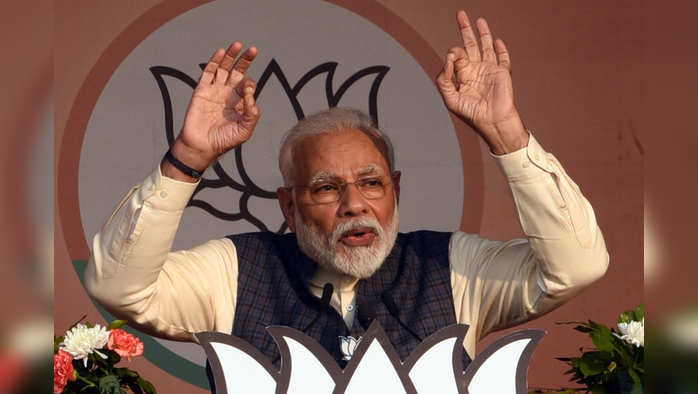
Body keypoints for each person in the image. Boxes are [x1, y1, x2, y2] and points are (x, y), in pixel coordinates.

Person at [85, 10, 608, 371]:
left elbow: (577, 266)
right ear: (288, 206)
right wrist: (189, 158)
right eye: (326, 188)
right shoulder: (237, 271)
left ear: (395, 190)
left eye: (371, 183)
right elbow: (118, 287)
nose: (355, 205)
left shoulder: (450, 268)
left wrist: (506, 133)